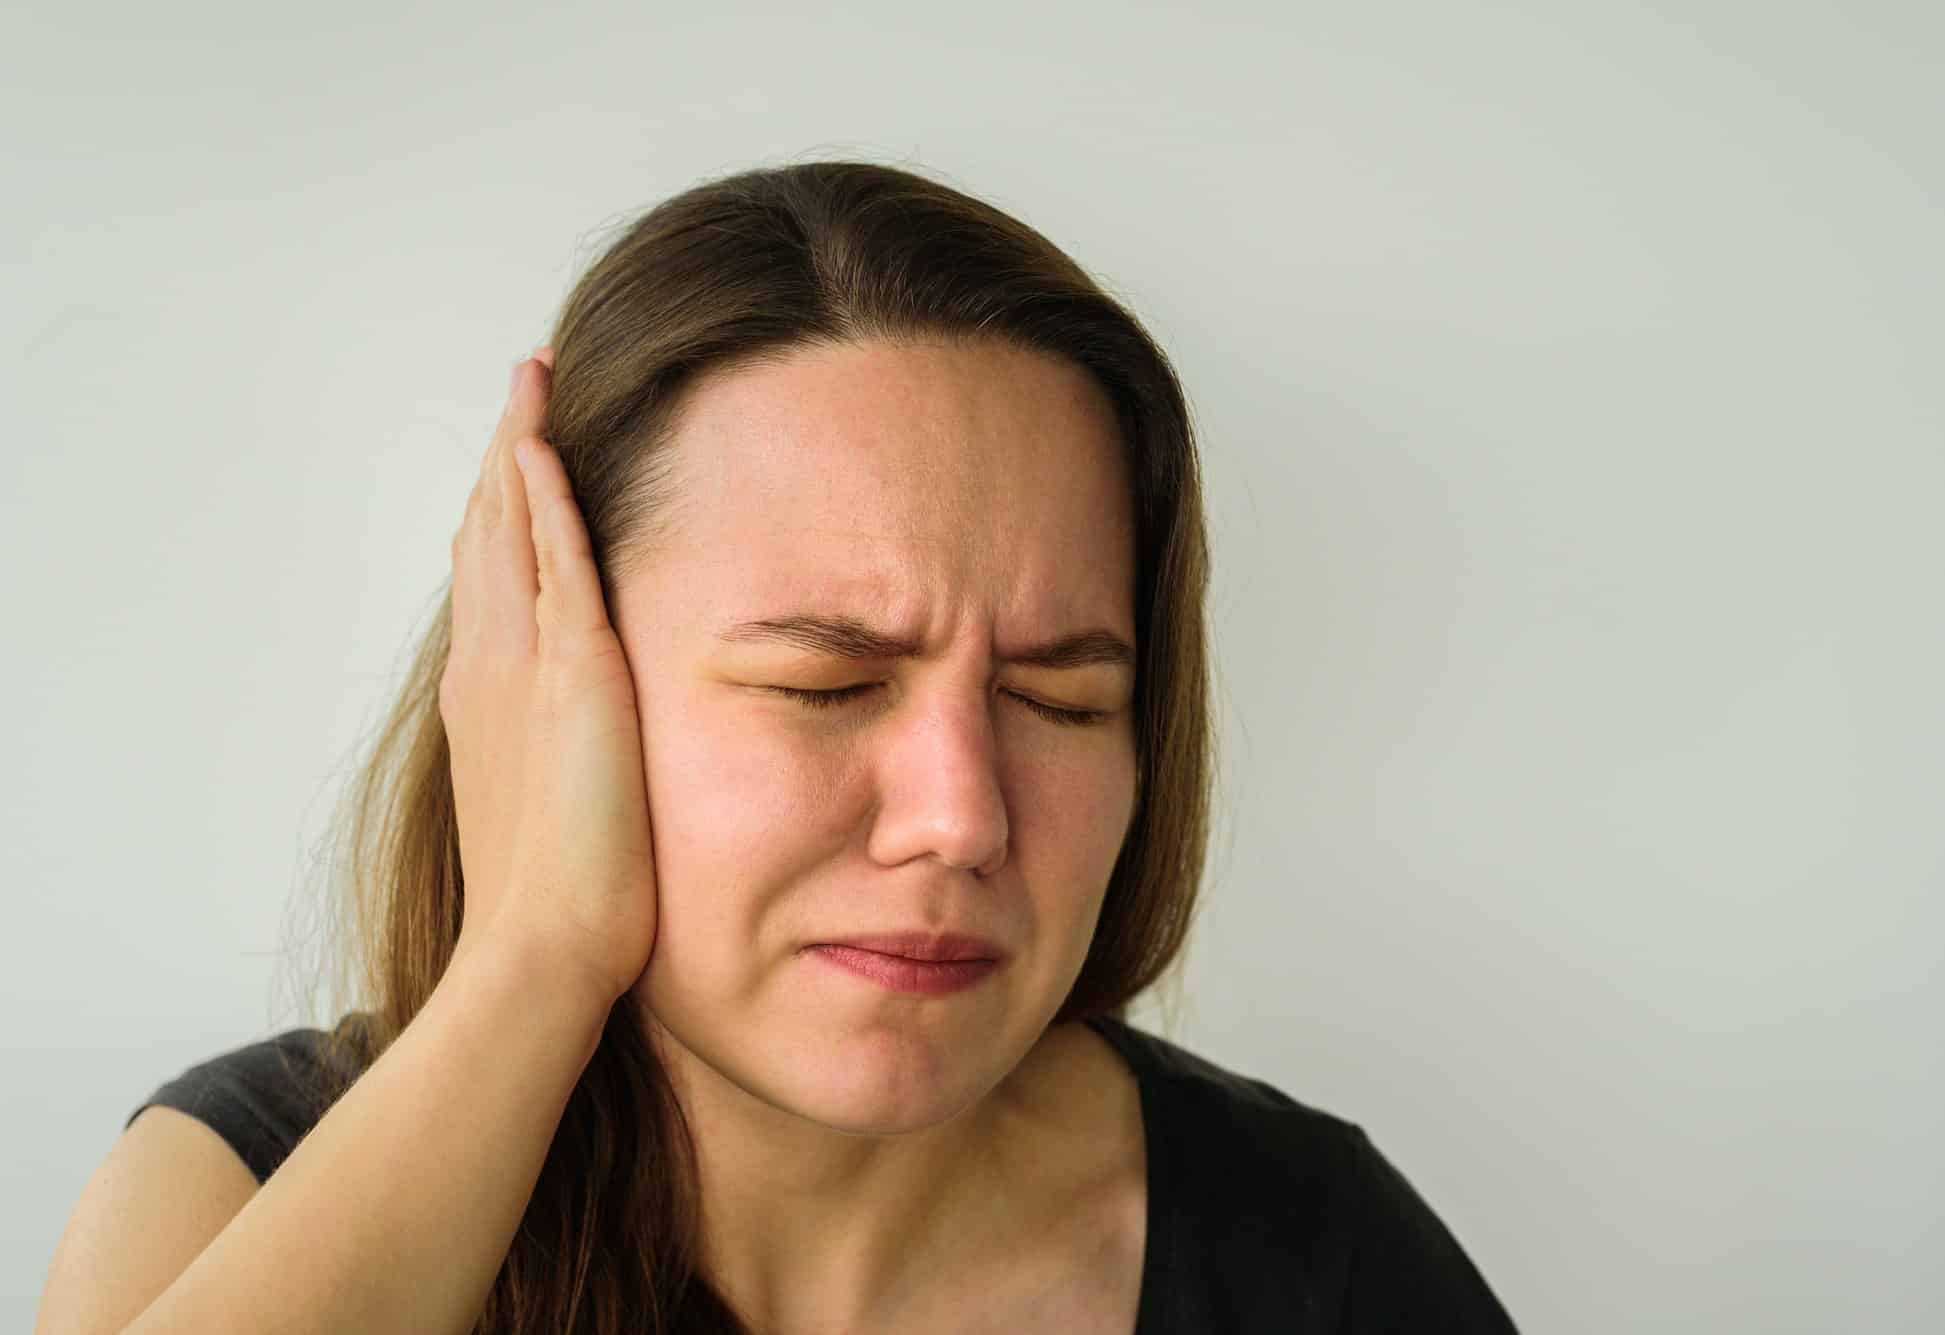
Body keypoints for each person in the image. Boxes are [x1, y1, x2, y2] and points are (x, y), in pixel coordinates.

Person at [35, 161, 1519, 1334]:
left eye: (1060, 702)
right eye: (825, 685)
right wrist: (535, 956)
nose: (961, 818)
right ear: (554, 698)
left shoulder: (1315, 1255)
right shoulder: (229, 1195)